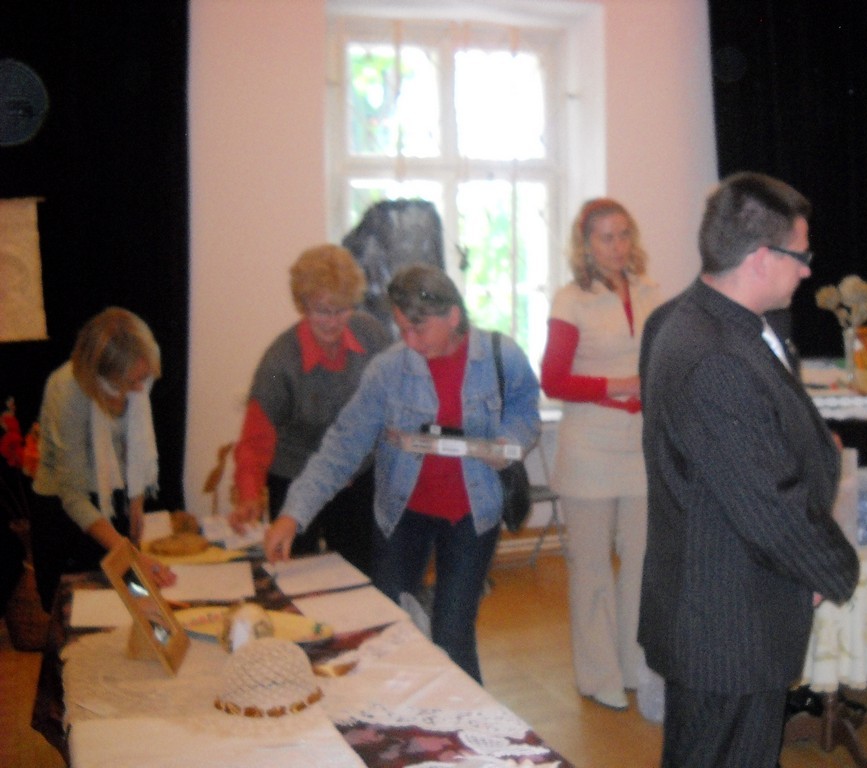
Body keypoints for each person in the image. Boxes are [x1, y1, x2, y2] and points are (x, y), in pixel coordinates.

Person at [638, 172, 860, 768]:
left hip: (717, 597)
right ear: (762, 258)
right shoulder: (713, 354)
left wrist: (811, 445)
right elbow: (768, 502)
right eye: (801, 256)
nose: (807, 271)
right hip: (728, 620)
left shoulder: (682, 318)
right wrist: (833, 567)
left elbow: (719, 457)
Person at [263, 263, 540, 682]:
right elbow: (343, 444)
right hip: (403, 515)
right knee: (390, 627)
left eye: (418, 329)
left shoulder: (502, 355)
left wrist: (509, 441)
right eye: (401, 329)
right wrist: (293, 514)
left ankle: (463, 718)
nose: (409, 341)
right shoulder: (389, 370)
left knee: (452, 632)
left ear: (453, 315)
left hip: (473, 515)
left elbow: (526, 411)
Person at [539, 198, 661, 711]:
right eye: (605, 237)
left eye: (623, 234)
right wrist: (619, 384)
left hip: (641, 445)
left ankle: (635, 665)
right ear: (586, 244)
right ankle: (598, 674)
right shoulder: (571, 300)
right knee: (591, 567)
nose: (617, 246)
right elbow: (553, 379)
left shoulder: (651, 293)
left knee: (641, 562)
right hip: (589, 447)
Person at [228, 244, 391, 573]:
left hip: (357, 476)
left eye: (342, 310)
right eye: (321, 311)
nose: (333, 322)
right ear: (302, 305)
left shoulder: (372, 335)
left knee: (358, 570)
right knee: (297, 572)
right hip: (294, 476)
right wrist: (248, 493)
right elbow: (256, 438)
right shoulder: (279, 362)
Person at [31, 308, 176, 611]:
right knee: (83, 615)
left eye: (144, 378)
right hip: (65, 515)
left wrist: (135, 503)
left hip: (112, 499)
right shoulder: (68, 391)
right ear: (105, 374)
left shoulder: (136, 369)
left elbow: (133, 448)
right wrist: (129, 555)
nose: (141, 388)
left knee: (133, 606)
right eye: (132, 381)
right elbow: (73, 496)